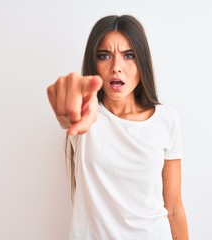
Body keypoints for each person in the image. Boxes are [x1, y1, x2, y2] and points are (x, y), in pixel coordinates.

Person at [47, 15, 189, 240]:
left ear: (142, 61)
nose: (116, 67)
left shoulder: (166, 120)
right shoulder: (85, 115)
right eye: (104, 56)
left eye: (129, 55)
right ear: (93, 64)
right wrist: (67, 101)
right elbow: (67, 117)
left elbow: (173, 207)